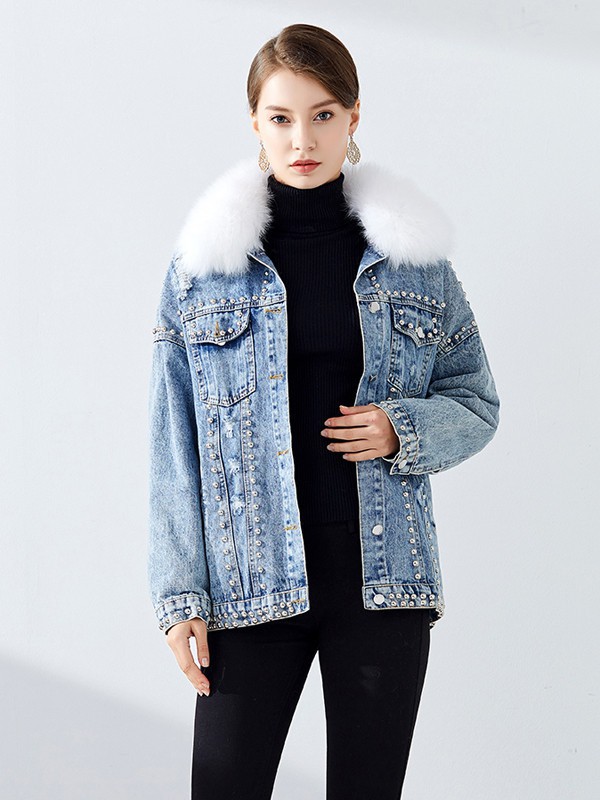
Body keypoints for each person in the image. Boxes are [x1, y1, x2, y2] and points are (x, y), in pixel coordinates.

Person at [148, 22, 500, 800]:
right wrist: (179, 599)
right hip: (248, 584)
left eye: (323, 115)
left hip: (381, 581)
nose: (302, 139)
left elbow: (476, 400)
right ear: (255, 123)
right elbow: (173, 444)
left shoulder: (415, 263)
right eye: (281, 117)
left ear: (353, 117)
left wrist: (403, 429)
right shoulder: (202, 271)